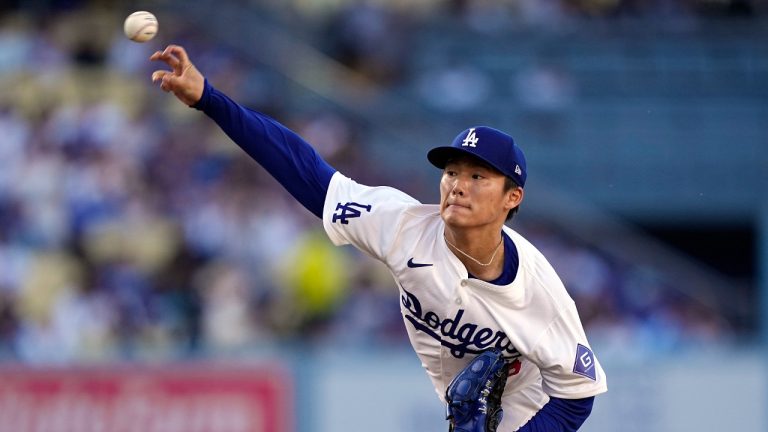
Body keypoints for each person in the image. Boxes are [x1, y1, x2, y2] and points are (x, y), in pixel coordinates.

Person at [150, 45, 607, 431]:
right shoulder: (402, 226)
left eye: (477, 176)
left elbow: (577, 396)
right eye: (451, 172)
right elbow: (305, 170)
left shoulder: (538, 294)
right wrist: (209, 99)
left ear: (513, 197)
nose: (457, 184)